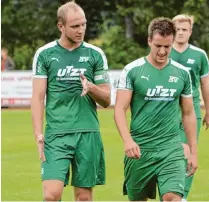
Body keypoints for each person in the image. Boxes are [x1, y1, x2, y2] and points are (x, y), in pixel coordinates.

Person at [31, 1, 111, 201]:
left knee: (83, 197)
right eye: (75, 26)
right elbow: (38, 97)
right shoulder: (45, 54)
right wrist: (38, 134)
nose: (81, 30)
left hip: (87, 132)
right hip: (57, 133)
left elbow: (107, 99)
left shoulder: (95, 54)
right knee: (51, 194)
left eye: (83, 24)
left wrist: (91, 88)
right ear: (61, 26)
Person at [114, 17, 198, 201]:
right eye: (158, 45)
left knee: (172, 197)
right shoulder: (132, 70)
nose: (162, 51)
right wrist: (127, 141)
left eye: (167, 47)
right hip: (140, 149)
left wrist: (193, 151)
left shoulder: (182, 73)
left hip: (171, 148)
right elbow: (119, 109)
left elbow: (188, 113)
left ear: (173, 42)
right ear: (149, 41)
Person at [169, 14, 209, 201]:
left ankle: (182, 195)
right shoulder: (164, 51)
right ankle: (169, 190)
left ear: (190, 32)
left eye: (184, 30)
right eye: (177, 29)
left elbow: (205, 83)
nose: (180, 33)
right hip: (168, 110)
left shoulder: (198, 55)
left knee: (189, 151)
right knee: (170, 152)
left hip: (192, 110)